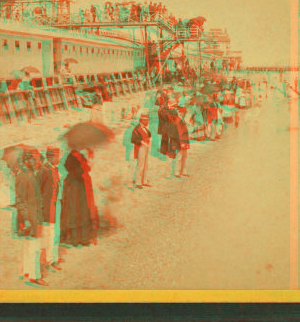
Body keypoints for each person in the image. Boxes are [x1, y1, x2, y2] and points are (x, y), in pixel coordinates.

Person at [16, 149, 48, 286]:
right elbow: (20, 201)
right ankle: (34, 276)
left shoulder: (30, 175)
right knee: (34, 247)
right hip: (30, 216)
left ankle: (26, 272)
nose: (35, 162)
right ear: (25, 161)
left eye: (35, 159)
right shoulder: (22, 177)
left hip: (35, 215)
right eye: (32, 160)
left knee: (29, 246)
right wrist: (26, 220)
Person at [60, 150, 98, 247]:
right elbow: (79, 168)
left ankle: (80, 239)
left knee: (80, 211)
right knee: (77, 211)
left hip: (79, 185)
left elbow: (85, 168)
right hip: (76, 185)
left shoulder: (77, 156)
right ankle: (78, 239)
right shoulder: (75, 156)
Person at [42, 147, 62, 272]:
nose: (58, 158)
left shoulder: (55, 169)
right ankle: (48, 261)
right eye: (56, 156)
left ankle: (53, 258)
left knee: (55, 233)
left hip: (55, 204)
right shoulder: (44, 170)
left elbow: (57, 185)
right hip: (47, 206)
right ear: (50, 157)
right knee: (48, 234)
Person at [131, 113, 152, 189]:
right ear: (142, 120)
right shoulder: (136, 129)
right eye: (146, 120)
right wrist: (142, 142)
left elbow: (149, 135)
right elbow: (133, 139)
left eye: (147, 120)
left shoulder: (146, 129)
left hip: (146, 147)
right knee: (140, 164)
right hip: (140, 148)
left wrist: (148, 142)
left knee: (146, 164)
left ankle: (144, 181)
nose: (147, 122)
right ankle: (138, 182)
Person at [169, 107, 190, 177]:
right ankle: (177, 172)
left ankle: (183, 171)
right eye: (182, 112)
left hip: (184, 140)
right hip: (181, 141)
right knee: (179, 157)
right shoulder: (178, 120)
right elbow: (179, 133)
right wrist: (181, 143)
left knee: (184, 156)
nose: (183, 114)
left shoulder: (181, 120)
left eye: (183, 112)